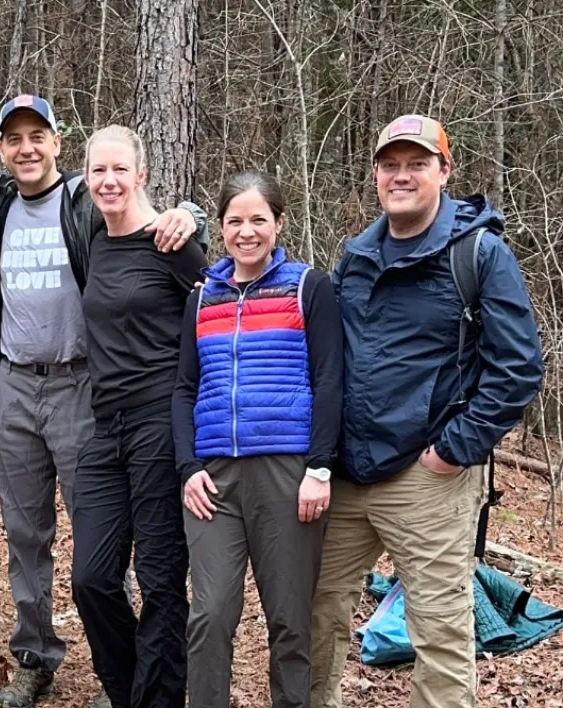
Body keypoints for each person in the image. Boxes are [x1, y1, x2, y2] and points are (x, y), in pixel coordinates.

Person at [309, 115, 543, 708]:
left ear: (444, 170)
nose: (402, 175)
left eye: (417, 163)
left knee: (439, 632)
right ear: (375, 176)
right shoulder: (355, 257)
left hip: (428, 477)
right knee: (316, 615)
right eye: (391, 164)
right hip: (348, 475)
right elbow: (334, 361)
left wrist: (452, 451)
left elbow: (517, 368)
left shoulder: (479, 254)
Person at [0, 95, 205, 708]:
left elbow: (203, 279)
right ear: (0, 150)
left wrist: (191, 214)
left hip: (114, 400)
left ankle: (143, 685)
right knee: (55, 551)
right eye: (13, 138)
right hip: (40, 393)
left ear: (59, 146)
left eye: (38, 136)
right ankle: (61, 663)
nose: (26, 148)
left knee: (137, 562)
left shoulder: (91, 209)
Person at [172, 170, 343, 708]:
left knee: (290, 619)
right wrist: (187, 467)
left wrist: (319, 467)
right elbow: (183, 389)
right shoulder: (203, 300)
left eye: (258, 220)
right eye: (234, 221)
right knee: (210, 614)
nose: (246, 232)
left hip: (288, 474)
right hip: (214, 478)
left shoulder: (307, 286)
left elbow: (330, 379)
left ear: (279, 223)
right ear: (220, 227)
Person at [70, 125, 208, 708]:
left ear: (142, 174)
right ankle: (129, 692)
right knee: (92, 579)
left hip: (160, 424)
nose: (108, 181)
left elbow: (219, 312)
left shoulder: (173, 243)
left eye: (119, 169)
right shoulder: (92, 237)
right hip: (105, 429)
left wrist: (190, 214)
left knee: (159, 583)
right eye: (98, 170)